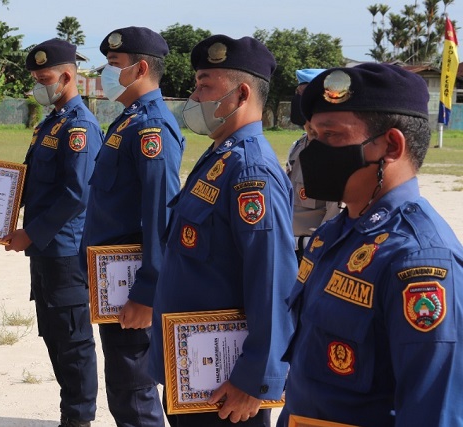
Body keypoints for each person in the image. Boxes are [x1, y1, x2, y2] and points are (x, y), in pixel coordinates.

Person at [277, 63, 463, 427]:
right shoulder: (334, 234)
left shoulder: (419, 260)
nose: (313, 152)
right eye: (313, 136)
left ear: (391, 146)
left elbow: (433, 412)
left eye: (331, 137)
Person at [149, 35, 297, 426]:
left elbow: (272, 280)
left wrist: (255, 379)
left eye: (205, 85)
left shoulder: (251, 171)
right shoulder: (221, 155)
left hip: (227, 382)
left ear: (241, 93)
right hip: (194, 368)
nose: (195, 96)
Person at [80, 26, 185, 427]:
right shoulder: (128, 121)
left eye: (113, 65)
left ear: (139, 68)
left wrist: (147, 291)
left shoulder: (151, 128)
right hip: (112, 280)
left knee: (135, 389)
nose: (106, 73)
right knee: (123, 387)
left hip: (130, 286)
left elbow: (159, 213)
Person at [3, 38, 102, 427]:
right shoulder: (51, 123)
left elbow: (77, 193)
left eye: (44, 78)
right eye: (35, 79)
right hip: (46, 251)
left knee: (73, 341)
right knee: (54, 334)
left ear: (66, 76)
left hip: (65, 250)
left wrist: (31, 233)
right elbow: (32, 183)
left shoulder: (79, 126)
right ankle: (70, 415)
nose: (38, 86)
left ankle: (78, 419)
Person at [286, 68, 341, 262]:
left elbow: (334, 215)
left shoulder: (335, 153)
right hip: (289, 250)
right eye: (300, 94)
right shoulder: (298, 146)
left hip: (314, 253)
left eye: (307, 94)